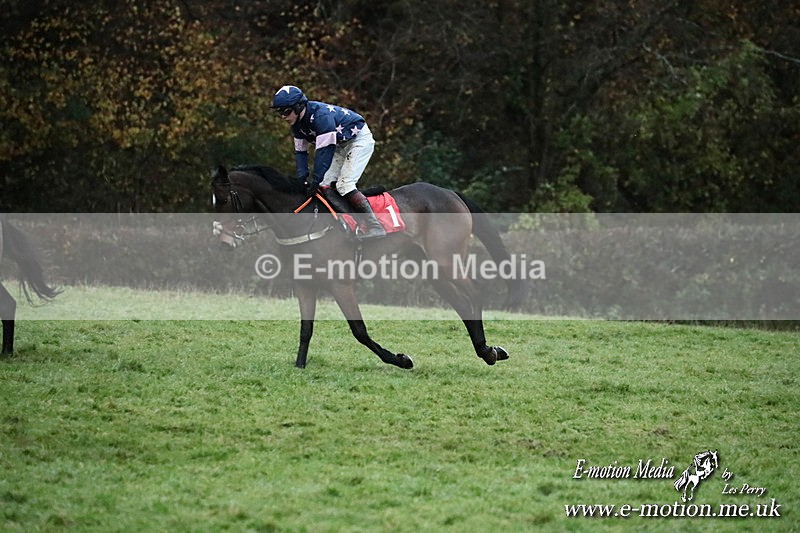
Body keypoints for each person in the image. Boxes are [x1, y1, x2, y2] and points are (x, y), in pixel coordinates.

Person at [271, 85, 386, 240]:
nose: (283, 116)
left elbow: (324, 152)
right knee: (324, 187)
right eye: (279, 112)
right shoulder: (297, 125)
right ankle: (345, 222)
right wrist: (302, 179)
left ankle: (375, 226)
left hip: (359, 140)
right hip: (340, 145)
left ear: (299, 107)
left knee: (344, 185)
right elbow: (300, 153)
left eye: (286, 111)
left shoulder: (321, 117)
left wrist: (315, 178)